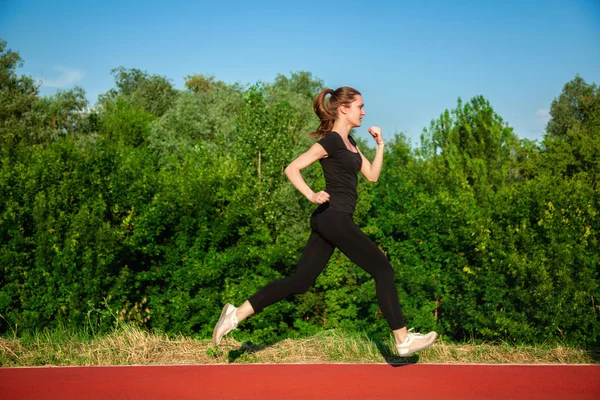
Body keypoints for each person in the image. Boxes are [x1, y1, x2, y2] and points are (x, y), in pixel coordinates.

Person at [213, 87, 437, 356]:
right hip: (334, 217)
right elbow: (292, 168)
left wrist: (380, 145)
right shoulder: (331, 141)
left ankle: (235, 314)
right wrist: (311, 194)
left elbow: (373, 176)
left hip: (329, 220)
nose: (364, 112)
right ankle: (402, 340)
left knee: (299, 282)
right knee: (383, 270)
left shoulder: (351, 143)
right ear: (344, 108)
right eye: (360, 107)